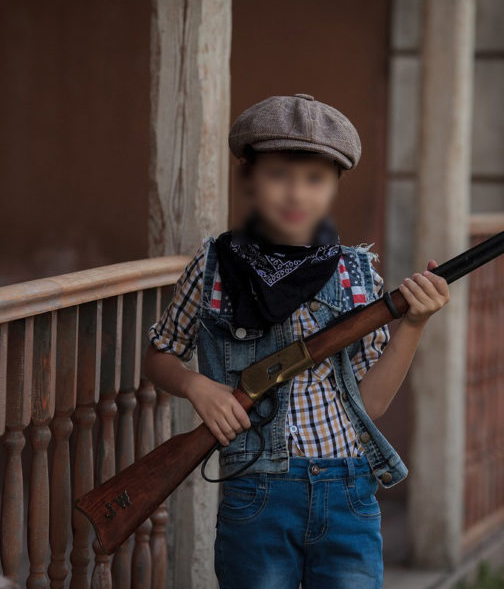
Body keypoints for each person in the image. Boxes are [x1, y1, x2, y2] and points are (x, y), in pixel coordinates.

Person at [144, 94, 450, 589]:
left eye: (314, 179)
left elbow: (367, 403)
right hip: (256, 493)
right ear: (249, 173)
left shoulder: (355, 274)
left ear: (333, 185)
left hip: (348, 487)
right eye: (279, 174)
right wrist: (197, 387)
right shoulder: (214, 265)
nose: (295, 194)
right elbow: (159, 355)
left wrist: (413, 325)